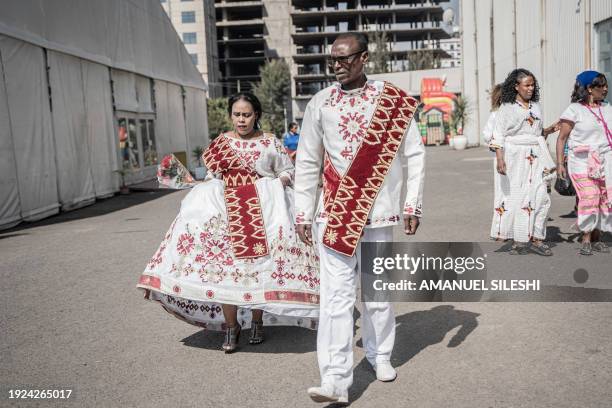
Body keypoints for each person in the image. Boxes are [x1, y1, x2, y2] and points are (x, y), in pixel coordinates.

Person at [293, 33, 425, 404]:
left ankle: (379, 353)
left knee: (377, 292)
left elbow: (414, 154)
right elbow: (307, 160)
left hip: (380, 213)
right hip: (334, 214)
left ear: (364, 58)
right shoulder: (320, 103)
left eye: (345, 59)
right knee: (335, 298)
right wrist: (303, 211)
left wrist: (413, 204)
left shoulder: (392, 101)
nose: (337, 65)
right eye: (332, 59)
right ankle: (335, 377)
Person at [138, 92, 320, 353]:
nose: (241, 120)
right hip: (228, 214)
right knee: (227, 273)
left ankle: (258, 322)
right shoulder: (221, 142)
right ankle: (231, 326)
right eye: (237, 115)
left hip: (263, 212)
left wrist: (275, 184)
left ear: (256, 115)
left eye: (246, 115)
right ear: (231, 116)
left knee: (259, 268)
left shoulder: (270, 142)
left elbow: (287, 170)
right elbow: (213, 176)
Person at [488, 68, 559, 255]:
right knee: (517, 198)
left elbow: (536, 132)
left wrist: (550, 130)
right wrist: (500, 159)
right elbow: (498, 135)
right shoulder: (507, 107)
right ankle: (519, 240)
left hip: (537, 154)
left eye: (532, 84)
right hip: (514, 156)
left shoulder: (536, 106)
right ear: (516, 86)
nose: (530, 88)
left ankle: (537, 239)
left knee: (542, 196)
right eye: (526, 85)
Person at [556, 70, 612, 255]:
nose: (605, 89)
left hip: (606, 161)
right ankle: (586, 239)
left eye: (605, 85)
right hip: (581, 162)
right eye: (601, 86)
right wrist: (560, 164)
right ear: (589, 88)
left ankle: (597, 238)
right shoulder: (574, 110)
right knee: (589, 197)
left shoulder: (607, 108)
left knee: (603, 199)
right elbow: (562, 138)